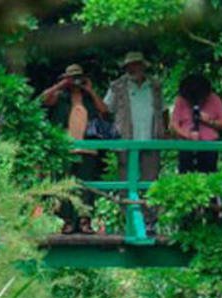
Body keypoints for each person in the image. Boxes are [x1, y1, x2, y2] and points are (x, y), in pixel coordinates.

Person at [41, 63, 110, 234]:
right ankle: (68, 221)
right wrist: (61, 84)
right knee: (65, 184)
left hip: (88, 147)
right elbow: (42, 100)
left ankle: (84, 221)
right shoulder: (60, 96)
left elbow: (104, 110)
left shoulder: (89, 100)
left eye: (78, 77)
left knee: (86, 186)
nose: (75, 82)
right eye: (72, 78)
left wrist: (90, 90)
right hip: (66, 148)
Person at [105, 51, 166, 182]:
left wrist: (164, 131)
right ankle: (126, 203)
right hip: (125, 139)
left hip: (151, 139)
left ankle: (148, 203)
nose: (132, 69)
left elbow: (163, 110)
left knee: (150, 181)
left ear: (143, 66)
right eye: (129, 66)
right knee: (126, 180)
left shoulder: (155, 86)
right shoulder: (117, 86)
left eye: (136, 65)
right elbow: (106, 109)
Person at [171, 74, 222, 174]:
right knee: (185, 176)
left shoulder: (214, 99)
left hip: (209, 146)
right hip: (186, 146)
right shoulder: (181, 100)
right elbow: (174, 124)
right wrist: (187, 135)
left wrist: (209, 121)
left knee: (208, 175)